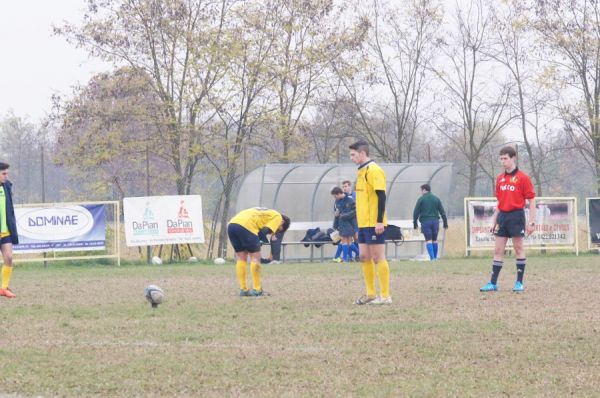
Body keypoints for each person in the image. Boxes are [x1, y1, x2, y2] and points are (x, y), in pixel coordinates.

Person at [480, 146, 536, 293]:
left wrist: (531, 222)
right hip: (502, 217)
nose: (503, 161)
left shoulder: (523, 177)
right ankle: (492, 283)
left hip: (516, 216)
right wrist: (493, 220)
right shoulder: (500, 179)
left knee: (518, 249)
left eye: (505, 158)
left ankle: (519, 283)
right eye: (501, 158)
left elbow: (531, 200)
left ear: (513, 158)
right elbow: (499, 202)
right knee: (498, 250)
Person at [349, 140, 391, 305]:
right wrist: (359, 226)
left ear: (362, 153)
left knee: (377, 257)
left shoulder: (374, 170)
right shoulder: (361, 172)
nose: (351, 158)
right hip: (364, 224)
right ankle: (371, 294)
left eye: (353, 155)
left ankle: (386, 295)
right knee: (364, 256)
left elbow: (381, 196)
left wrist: (379, 221)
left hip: (375, 223)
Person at [228, 207, 291, 296]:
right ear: (282, 222)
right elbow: (263, 232)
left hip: (232, 225)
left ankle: (243, 289)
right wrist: (261, 240)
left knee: (242, 258)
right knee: (255, 258)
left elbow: (261, 229)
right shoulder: (278, 217)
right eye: (278, 230)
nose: (274, 232)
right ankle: (257, 290)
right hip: (246, 226)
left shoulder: (268, 213)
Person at [412, 184, 448, 260]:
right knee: (435, 240)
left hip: (426, 222)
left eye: (421, 190)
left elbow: (416, 212)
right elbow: (442, 212)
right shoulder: (436, 199)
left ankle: (432, 258)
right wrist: (445, 222)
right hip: (435, 222)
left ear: (424, 190)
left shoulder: (421, 199)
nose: (420, 192)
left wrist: (415, 223)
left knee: (428, 240)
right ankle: (435, 257)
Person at [0, 162, 18, 298]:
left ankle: (3, 288)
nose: (6, 176)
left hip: (5, 231)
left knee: (9, 258)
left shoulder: (7, 187)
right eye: (3, 173)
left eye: (7, 173)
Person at [331, 187, 358, 263]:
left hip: (349, 223)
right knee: (348, 242)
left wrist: (345, 216)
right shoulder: (337, 201)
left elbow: (354, 211)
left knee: (344, 240)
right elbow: (337, 212)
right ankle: (358, 254)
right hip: (341, 223)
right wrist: (335, 224)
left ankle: (345, 259)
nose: (335, 198)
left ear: (339, 194)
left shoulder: (350, 199)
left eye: (335, 196)